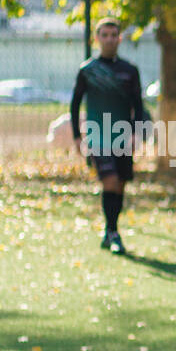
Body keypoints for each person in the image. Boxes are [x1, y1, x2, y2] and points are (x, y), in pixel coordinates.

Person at [70, 17, 149, 255]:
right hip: (98, 136)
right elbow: (75, 104)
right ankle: (113, 233)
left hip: (123, 135)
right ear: (97, 38)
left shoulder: (130, 70)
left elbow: (138, 105)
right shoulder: (87, 70)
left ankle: (110, 230)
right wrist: (77, 136)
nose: (109, 39)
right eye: (104, 35)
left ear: (120, 38)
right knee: (110, 181)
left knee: (121, 185)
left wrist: (136, 133)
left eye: (113, 35)